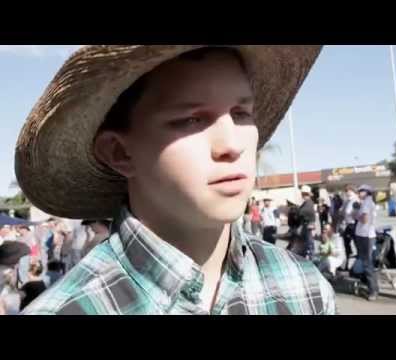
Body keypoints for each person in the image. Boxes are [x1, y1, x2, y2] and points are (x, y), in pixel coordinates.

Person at [17, 45, 334, 315]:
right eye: (191, 119)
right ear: (119, 152)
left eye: (241, 114)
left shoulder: (305, 289)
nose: (231, 145)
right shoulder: (73, 307)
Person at [353, 184, 379, 301]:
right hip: (365, 235)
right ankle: (373, 288)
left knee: (367, 263)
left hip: (365, 235)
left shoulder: (367, 203)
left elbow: (365, 219)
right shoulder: (368, 202)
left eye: (361, 191)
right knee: (367, 263)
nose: (359, 193)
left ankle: (373, 290)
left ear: (367, 192)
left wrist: (356, 215)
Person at [338, 184, 359, 271]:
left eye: (349, 190)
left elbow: (356, 214)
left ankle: (358, 265)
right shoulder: (347, 201)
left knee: (357, 246)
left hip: (354, 225)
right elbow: (341, 212)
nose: (347, 192)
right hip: (347, 225)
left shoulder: (356, 201)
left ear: (353, 191)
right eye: (346, 191)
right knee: (346, 246)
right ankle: (346, 265)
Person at [298, 185, 316, 259]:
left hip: (309, 224)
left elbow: (303, 211)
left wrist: (298, 211)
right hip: (306, 224)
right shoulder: (306, 202)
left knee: (309, 243)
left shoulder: (309, 202)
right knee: (306, 243)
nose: (303, 195)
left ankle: (311, 259)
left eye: (304, 194)